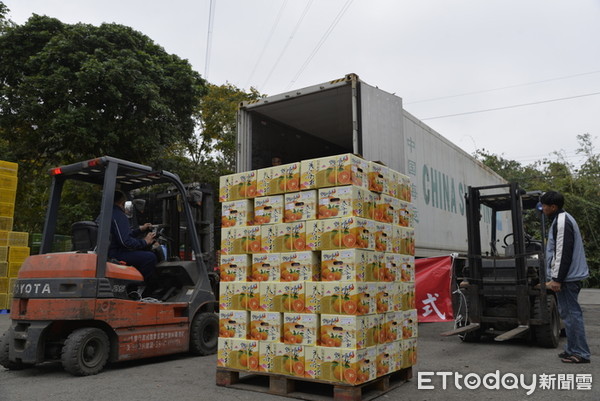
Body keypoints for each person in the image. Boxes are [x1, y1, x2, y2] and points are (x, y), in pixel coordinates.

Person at [541, 191, 591, 364]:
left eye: (544, 206)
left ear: (553, 207)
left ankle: (581, 353)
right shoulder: (561, 219)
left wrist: (557, 279)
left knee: (571, 314)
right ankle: (572, 349)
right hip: (568, 277)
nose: (543, 209)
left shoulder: (562, 222)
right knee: (568, 314)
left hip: (567, 278)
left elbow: (563, 253)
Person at [109, 190, 157, 280]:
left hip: (110, 251)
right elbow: (125, 242)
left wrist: (140, 230)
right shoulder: (119, 215)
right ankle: (139, 287)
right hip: (116, 253)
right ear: (122, 202)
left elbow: (121, 235)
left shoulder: (106, 214)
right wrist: (144, 242)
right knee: (150, 257)